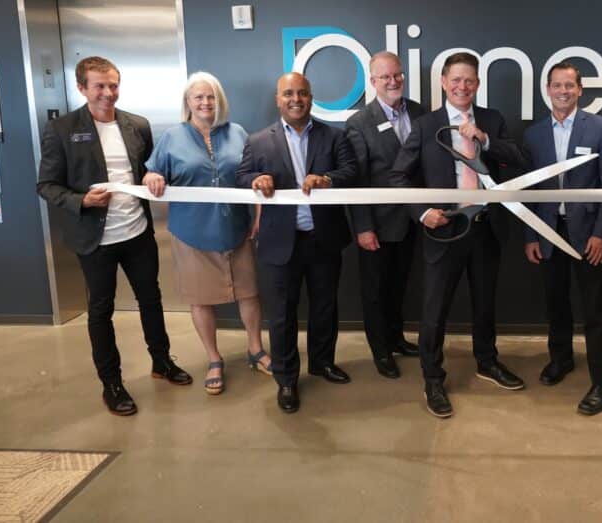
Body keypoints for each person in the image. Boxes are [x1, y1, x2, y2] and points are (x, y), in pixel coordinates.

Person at [37, 56, 192, 417]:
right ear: (82, 88)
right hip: (94, 238)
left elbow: (149, 171)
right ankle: (112, 383)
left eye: (113, 85)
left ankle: (161, 361)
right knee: (101, 310)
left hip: (137, 232)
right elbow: (46, 185)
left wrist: (155, 178)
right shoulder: (62, 129)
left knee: (151, 299)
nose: (108, 93)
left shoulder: (137, 124)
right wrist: (81, 200)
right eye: (99, 86)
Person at [390, 52, 527, 419]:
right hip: (444, 230)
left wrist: (485, 140)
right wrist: (421, 213)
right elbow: (398, 176)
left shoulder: (492, 119)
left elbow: (516, 157)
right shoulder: (424, 125)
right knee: (434, 309)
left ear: (478, 84)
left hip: (485, 227)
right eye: (456, 80)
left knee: (485, 303)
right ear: (443, 82)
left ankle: (487, 362)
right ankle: (432, 377)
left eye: (470, 80)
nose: (463, 86)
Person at [235, 72, 356, 414]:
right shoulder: (259, 141)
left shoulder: (334, 136)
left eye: (302, 93)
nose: (296, 99)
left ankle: (322, 363)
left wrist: (328, 179)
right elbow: (241, 176)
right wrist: (255, 179)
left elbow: (350, 170)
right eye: (288, 93)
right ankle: (286, 379)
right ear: (278, 99)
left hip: (324, 239)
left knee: (324, 307)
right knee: (282, 315)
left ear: (311, 97)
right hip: (279, 243)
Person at [142, 71, 267, 396]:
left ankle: (256, 349)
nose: (205, 102)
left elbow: (254, 175)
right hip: (192, 232)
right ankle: (214, 358)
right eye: (198, 97)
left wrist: (258, 216)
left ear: (219, 100)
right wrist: (152, 178)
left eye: (211, 96)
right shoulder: (172, 137)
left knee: (250, 292)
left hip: (236, 229)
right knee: (200, 299)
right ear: (188, 102)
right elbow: (152, 173)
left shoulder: (238, 132)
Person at [522, 61, 602, 416]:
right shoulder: (533, 135)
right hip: (549, 233)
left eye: (569, 86)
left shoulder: (600, 128)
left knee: (595, 310)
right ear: (547, 90)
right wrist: (531, 234)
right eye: (556, 85)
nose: (563, 91)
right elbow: (529, 191)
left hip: (587, 235)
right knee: (556, 303)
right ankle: (561, 360)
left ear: (580, 90)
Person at [344, 51, 425, 379]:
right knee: (375, 290)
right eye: (385, 77)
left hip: (412, 221)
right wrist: (363, 227)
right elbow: (358, 180)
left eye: (398, 75)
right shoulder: (358, 124)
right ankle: (380, 351)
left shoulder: (420, 112)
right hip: (377, 224)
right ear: (373, 81)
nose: (393, 82)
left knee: (400, 285)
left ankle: (395, 338)